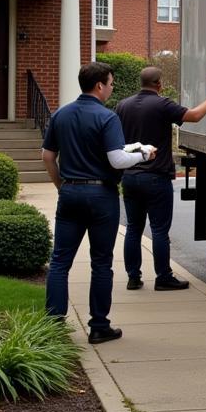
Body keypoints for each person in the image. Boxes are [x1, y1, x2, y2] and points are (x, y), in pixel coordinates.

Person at [42, 62, 157, 343]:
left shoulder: (61, 115)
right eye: (111, 83)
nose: (112, 87)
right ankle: (99, 326)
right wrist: (144, 155)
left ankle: (53, 327)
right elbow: (116, 159)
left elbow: (47, 156)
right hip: (101, 196)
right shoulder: (107, 118)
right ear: (99, 86)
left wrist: (62, 186)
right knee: (101, 263)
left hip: (70, 192)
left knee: (59, 262)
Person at [116, 67, 206, 291]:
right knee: (158, 230)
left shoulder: (122, 106)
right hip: (156, 176)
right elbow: (194, 116)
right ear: (158, 84)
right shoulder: (162, 104)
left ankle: (133, 277)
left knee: (134, 228)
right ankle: (163, 277)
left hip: (130, 177)